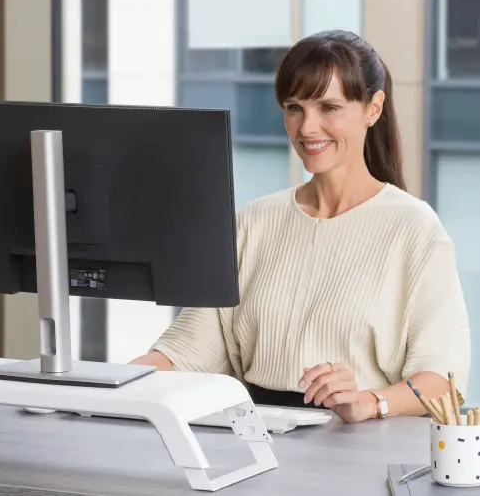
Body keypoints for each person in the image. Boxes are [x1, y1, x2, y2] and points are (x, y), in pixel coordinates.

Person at [130, 30, 472, 423]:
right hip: (256, 437)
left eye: (329, 107)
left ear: (373, 108)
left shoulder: (415, 229)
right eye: (295, 107)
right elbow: (189, 350)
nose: (307, 128)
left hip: (359, 448)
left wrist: (368, 401)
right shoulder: (253, 221)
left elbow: (443, 382)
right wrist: (108, 381)